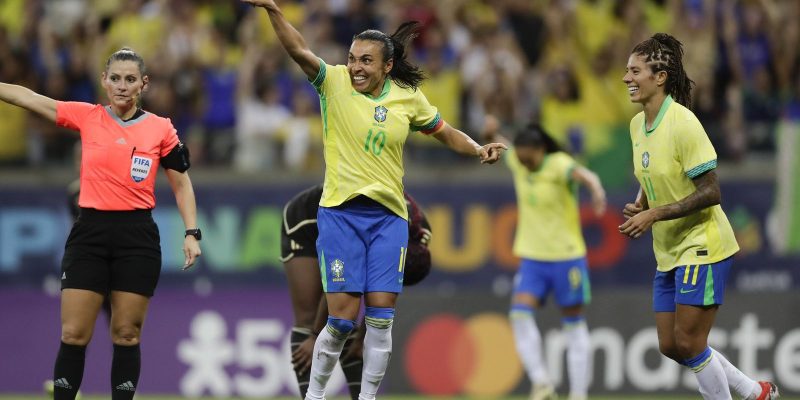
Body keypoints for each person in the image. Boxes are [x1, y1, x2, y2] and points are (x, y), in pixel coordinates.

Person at [242, 2, 506, 399]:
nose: (356, 67)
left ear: (387, 66)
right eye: (351, 59)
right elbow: (298, 50)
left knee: (381, 321)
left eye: (366, 60)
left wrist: (476, 148)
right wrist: (273, 10)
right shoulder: (332, 83)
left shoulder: (407, 97)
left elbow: (444, 131)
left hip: (388, 219)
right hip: (341, 215)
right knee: (342, 321)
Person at [0, 47, 202, 400]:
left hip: (137, 238)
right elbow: (29, 97)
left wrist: (191, 232)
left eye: (130, 79)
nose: (122, 86)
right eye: (115, 78)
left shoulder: (160, 129)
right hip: (89, 235)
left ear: (144, 84)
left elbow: (181, 183)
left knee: (126, 334)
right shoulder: (87, 116)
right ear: (104, 82)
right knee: (73, 333)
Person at [619, 33, 779, 400]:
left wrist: (655, 213)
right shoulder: (635, 126)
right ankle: (756, 392)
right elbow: (652, 173)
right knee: (670, 344)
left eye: (634, 70)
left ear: (659, 77)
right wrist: (642, 201)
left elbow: (711, 191)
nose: (627, 78)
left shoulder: (684, 123)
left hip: (702, 244)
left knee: (690, 342)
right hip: (669, 250)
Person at [482, 117, 605, 400]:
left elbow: (587, 176)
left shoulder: (559, 164)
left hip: (566, 257)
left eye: (529, 159)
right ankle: (542, 383)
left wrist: (596, 191)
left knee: (573, 323)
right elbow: (505, 146)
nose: (524, 164)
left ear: (540, 151)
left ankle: (578, 393)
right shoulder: (518, 161)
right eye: (521, 159)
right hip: (533, 258)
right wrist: (490, 131)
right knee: (519, 315)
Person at [282, 184, 433, 400]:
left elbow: (382, 299)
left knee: (360, 332)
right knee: (327, 314)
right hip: (309, 218)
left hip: (364, 220)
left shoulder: (418, 237)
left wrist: (363, 334)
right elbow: (339, 293)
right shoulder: (398, 224)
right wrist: (315, 335)